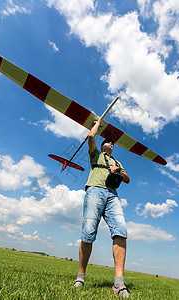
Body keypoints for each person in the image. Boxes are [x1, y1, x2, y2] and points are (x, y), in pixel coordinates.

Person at [73, 119, 130, 298]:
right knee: (88, 232)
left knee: (121, 230)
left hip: (112, 195)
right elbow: (91, 136)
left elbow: (127, 179)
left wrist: (118, 171)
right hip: (95, 191)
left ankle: (119, 283)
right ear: (102, 145)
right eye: (107, 142)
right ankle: (80, 277)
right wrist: (97, 123)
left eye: (112, 144)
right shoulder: (95, 154)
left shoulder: (117, 162)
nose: (110, 144)